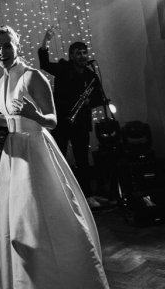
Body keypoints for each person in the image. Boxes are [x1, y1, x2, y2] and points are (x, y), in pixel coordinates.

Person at [0, 26, 109, 288]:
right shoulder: (3, 80)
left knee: (38, 217)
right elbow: (9, 118)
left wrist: (34, 116)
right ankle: (25, 277)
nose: (2, 51)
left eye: (7, 45)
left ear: (17, 45)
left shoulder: (32, 76)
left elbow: (53, 120)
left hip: (35, 150)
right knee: (17, 222)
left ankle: (55, 275)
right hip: (14, 153)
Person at [38, 28, 105, 208]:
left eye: (85, 53)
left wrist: (89, 101)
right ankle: (60, 196)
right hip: (62, 122)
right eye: (78, 53)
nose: (83, 56)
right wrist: (46, 40)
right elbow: (44, 63)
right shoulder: (63, 68)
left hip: (81, 123)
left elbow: (100, 97)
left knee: (83, 161)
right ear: (71, 56)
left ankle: (87, 196)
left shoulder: (91, 75)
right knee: (58, 159)